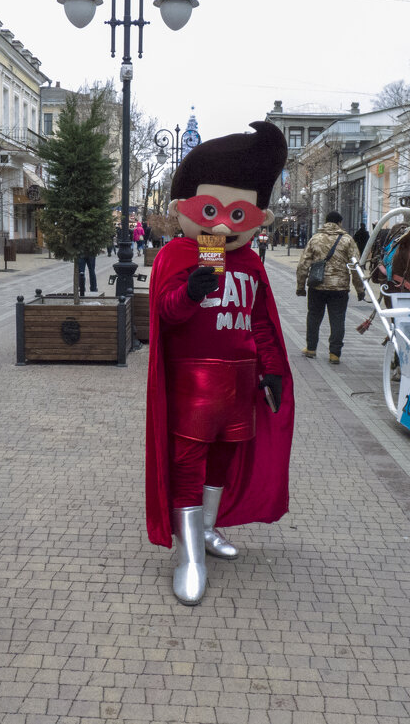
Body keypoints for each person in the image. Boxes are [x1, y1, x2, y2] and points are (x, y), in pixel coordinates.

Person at [147, 120, 294, 606]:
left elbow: (261, 322)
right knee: (187, 462)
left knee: (224, 459)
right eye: (210, 211)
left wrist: (272, 367)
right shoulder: (176, 254)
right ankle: (189, 553)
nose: (222, 226)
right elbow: (164, 315)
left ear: (257, 217)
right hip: (192, 382)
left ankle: (207, 531)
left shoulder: (251, 263)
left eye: (237, 213)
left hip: (239, 383)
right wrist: (189, 293)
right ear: (186, 210)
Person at [296, 211, 364, 364]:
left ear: (326, 222)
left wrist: (301, 286)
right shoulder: (347, 240)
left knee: (314, 316)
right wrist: (359, 289)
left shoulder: (315, 239)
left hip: (317, 286)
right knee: (337, 319)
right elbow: (355, 266)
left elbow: (303, 264)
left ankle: (311, 348)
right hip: (339, 288)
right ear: (339, 223)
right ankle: (335, 354)